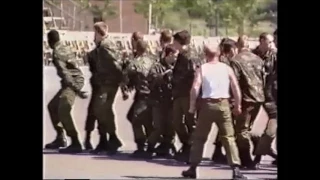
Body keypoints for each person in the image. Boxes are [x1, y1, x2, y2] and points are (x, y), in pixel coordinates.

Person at [182, 45, 245, 179]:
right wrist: (238, 105)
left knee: (199, 137)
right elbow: (235, 87)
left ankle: (193, 167)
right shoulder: (226, 68)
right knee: (228, 137)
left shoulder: (202, 68)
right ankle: (235, 169)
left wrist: (192, 106)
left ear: (205, 54)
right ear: (220, 54)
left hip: (207, 105)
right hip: (223, 104)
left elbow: (195, 88)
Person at [45, 30, 88, 153]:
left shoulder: (57, 53)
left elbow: (65, 74)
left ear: (50, 42)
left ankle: (75, 142)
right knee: (52, 106)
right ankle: (60, 138)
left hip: (72, 82)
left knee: (63, 109)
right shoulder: (64, 46)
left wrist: (76, 89)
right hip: (71, 81)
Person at [230, 35, 265, 169]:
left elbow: (234, 82)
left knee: (242, 130)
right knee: (247, 128)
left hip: (245, 99)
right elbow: (263, 78)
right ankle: (258, 146)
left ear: (237, 46)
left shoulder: (236, 60)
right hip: (258, 98)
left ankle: (246, 159)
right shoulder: (258, 59)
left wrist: (233, 101)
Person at [90, 22, 124, 155]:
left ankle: (111, 138)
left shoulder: (105, 45)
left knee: (101, 109)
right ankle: (106, 139)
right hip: (105, 82)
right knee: (104, 110)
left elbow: (116, 63)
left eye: (95, 33)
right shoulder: (103, 45)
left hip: (108, 83)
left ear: (99, 33)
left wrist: (122, 82)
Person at [141, 44, 178, 159]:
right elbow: (151, 79)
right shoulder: (157, 66)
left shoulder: (176, 67)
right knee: (159, 127)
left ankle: (167, 146)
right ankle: (150, 146)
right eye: (175, 56)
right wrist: (164, 76)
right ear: (170, 55)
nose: (176, 58)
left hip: (170, 101)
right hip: (158, 101)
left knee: (171, 126)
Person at [123, 40, 155, 157]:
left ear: (136, 48)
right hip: (152, 94)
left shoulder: (135, 63)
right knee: (145, 120)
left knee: (136, 118)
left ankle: (143, 145)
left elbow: (125, 76)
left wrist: (125, 90)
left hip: (143, 95)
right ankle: (150, 143)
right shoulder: (153, 60)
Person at [253, 30, 278, 166]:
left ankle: (258, 155)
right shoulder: (252, 55)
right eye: (269, 42)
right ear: (261, 41)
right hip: (255, 94)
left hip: (270, 96)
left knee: (270, 130)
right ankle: (261, 152)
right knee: (252, 131)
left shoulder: (274, 55)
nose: (271, 44)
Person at [171, 30, 197, 161]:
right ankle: (186, 144)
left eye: (174, 41)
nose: (173, 44)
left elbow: (193, 75)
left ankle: (191, 149)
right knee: (176, 122)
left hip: (187, 94)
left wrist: (175, 79)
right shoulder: (181, 56)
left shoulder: (189, 56)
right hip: (178, 93)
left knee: (190, 122)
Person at [211, 39, 238, 163]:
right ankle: (220, 152)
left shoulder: (217, 60)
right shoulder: (228, 63)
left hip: (216, 96)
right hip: (226, 97)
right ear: (232, 49)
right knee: (226, 126)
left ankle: (217, 151)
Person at [83, 48, 99, 150]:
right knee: (97, 114)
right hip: (99, 86)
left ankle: (88, 138)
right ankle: (89, 139)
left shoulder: (93, 54)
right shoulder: (96, 55)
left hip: (97, 86)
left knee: (92, 114)